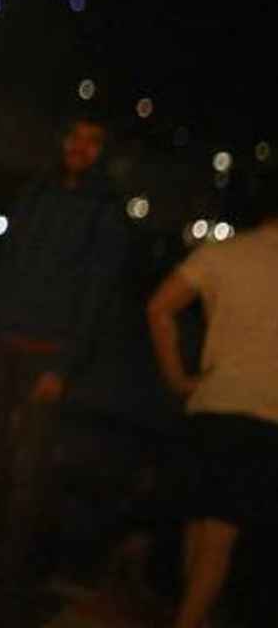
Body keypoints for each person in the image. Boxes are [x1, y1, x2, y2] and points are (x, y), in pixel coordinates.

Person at [0, 116, 128, 619]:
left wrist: (66, 366)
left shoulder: (104, 211)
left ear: (102, 152)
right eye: (74, 137)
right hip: (5, 345)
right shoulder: (37, 192)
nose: (80, 147)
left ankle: (4, 583)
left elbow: (97, 295)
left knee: (27, 472)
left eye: (93, 141)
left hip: (48, 357)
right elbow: (9, 265)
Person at [146, 187, 278, 628]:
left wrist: (178, 378)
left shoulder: (223, 255)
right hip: (262, 414)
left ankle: (193, 618)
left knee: (200, 524)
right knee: (220, 537)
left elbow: (160, 308)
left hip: (210, 404)